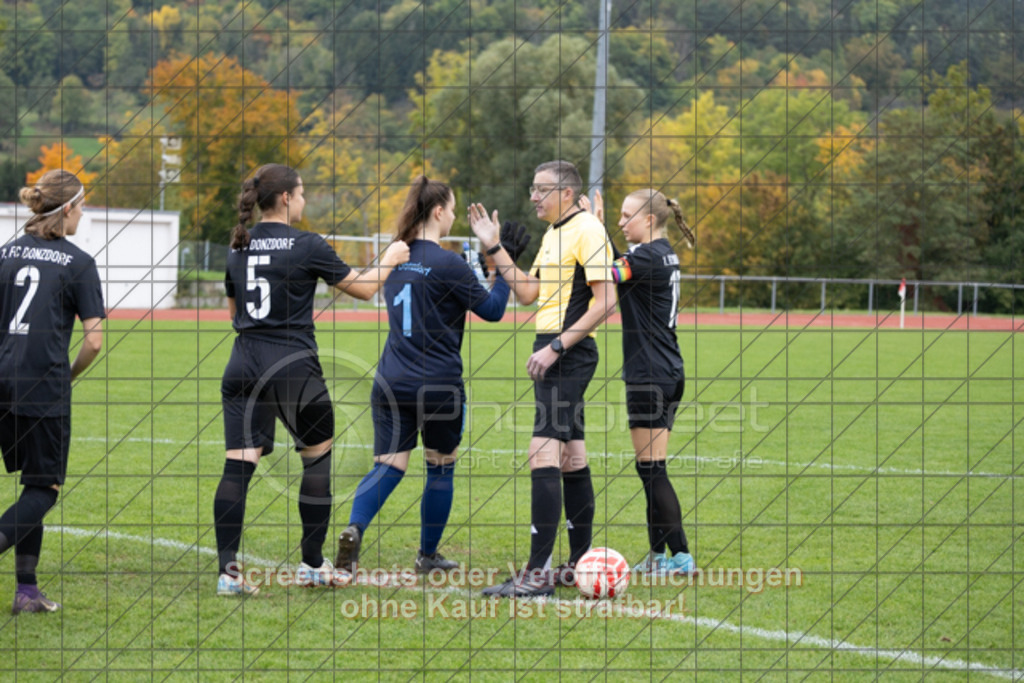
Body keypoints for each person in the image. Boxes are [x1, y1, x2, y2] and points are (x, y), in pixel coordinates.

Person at [214, 163, 409, 596]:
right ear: (285, 198)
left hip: (242, 361)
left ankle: (227, 574)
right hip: (293, 366)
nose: (303, 201)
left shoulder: (237, 244)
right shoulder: (306, 244)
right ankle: (311, 564)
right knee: (317, 457)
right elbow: (362, 288)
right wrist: (391, 258)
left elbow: (234, 313)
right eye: (301, 194)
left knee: (238, 465)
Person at [334, 175, 517, 576]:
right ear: (438, 212)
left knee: (387, 465)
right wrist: (500, 265)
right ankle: (428, 554)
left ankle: (354, 527)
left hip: (390, 380)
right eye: (451, 208)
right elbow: (493, 310)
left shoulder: (395, 255)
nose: (453, 215)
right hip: (437, 385)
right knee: (440, 466)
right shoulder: (448, 262)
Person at [469, 160, 617, 598]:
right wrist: (494, 247)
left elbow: (606, 302)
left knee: (542, 450)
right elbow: (530, 292)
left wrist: (556, 348)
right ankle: (579, 564)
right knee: (571, 453)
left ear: (567, 193)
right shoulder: (556, 233)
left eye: (542, 189)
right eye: (532, 188)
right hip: (556, 348)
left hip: (567, 352)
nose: (533, 196)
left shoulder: (588, 229)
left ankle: (537, 575)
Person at [0, 170, 105, 614]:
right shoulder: (78, 262)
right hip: (43, 388)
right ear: (66, 209)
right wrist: (68, 376)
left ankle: (27, 592)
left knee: (31, 489)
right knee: (43, 489)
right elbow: (95, 340)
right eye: (81, 205)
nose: (84, 213)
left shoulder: (4, 253)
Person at [592, 187, 697, 575]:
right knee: (650, 467)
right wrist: (600, 227)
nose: (621, 223)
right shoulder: (662, 253)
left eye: (626, 216)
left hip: (649, 375)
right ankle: (657, 557)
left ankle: (681, 557)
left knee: (651, 469)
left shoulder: (646, 256)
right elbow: (615, 264)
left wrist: (592, 226)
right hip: (667, 370)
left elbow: (603, 271)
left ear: (649, 220)